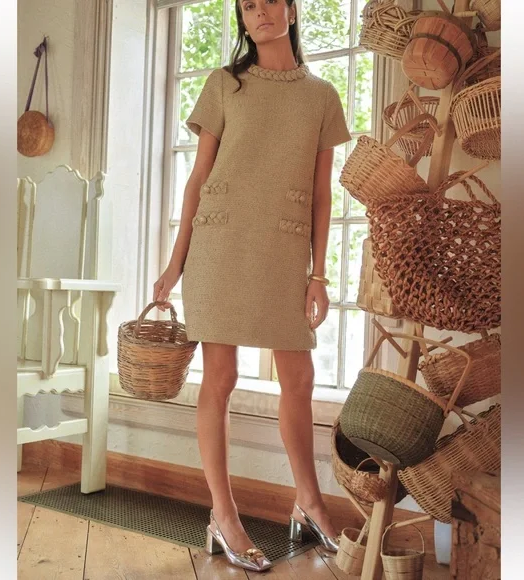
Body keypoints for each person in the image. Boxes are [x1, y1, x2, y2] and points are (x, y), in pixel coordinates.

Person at [153, 0, 352, 572]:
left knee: (299, 377)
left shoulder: (322, 97)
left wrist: (319, 274)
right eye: (247, 6)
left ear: (291, 11)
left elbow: (322, 195)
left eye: (268, 2)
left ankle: (309, 502)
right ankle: (224, 516)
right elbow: (197, 179)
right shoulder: (224, 85)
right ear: (242, 20)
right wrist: (174, 264)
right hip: (219, 247)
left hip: (284, 252)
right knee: (220, 379)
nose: (258, 12)